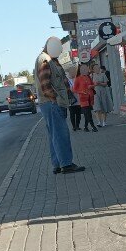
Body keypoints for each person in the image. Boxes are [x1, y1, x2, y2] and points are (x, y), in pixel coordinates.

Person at [35, 37, 84, 174]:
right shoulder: (45, 59)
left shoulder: (50, 59)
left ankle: (57, 164)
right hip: (52, 103)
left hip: (50, 103)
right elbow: (45, 84)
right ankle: (66, 164)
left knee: (54, 135)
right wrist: (55, 100)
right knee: (61, 134)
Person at [72, 63, 98, 132]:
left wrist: (93, 85)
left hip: (90, 97)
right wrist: (81, 91)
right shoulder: (77, 78)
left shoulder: (88, 77)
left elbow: (92, 85)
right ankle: (93, 126)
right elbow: (74, 89)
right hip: (83, 98)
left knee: (87, 113)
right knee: (88, 113)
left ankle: (86, 127)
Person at [93, 63, 114, 127]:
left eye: (98, 68)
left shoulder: (103, 75)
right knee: (97, 107)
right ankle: (99, 122)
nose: (97, 69)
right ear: (93, 69)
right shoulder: (92, 76)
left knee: (104, 107)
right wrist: (94, 85)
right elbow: (90, 85)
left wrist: (100, 83)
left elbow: (105, 84)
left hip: (103, 92)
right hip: (95, 93)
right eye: (95, 68)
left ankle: (104, 122)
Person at [65, 63, 82, 131]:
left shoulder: (77, 79)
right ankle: (74, 126)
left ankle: (77, 125)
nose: (73, 72)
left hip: (78, 98)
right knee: (72, 114)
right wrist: (69, 89)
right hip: (70, 99)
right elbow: (65, 88)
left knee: (78, 113)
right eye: (71, 71)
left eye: (74, 71)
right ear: (69, 72)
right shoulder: (67, 80)